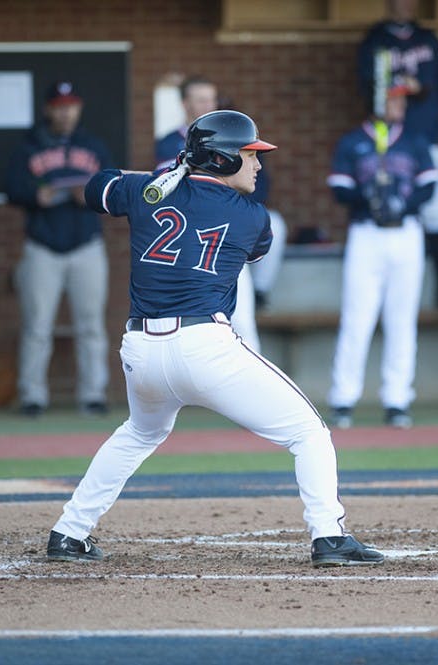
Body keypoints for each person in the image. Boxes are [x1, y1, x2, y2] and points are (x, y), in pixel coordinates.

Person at [46, 110, 383, 568]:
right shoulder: (252, 216)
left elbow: (96, 187)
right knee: (309, 433)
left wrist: (161, 176)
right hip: (204, 347)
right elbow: (254, 247)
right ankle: (329, 536)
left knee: (139, 432)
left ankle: (69, 532)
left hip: (141, 351)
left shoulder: (146, 192)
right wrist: (176, 176)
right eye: (249, 154)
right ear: (222, 159)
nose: (258, 164)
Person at [325, 85, 438, 429]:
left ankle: (397, 399)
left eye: (402, 99)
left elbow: (429, 186)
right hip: (366, 234)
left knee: (401, 320)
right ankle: (343, 398)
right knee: (357, 319)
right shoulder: (353, 141)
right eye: (392, 99)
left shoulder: (415, 140)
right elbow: (339, 188)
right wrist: (368, 198)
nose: (399, 105)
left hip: (406, 233)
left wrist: (402, 204)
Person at [5, 81, 113, 418]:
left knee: (91, 325)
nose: (66, 113)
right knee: (37, 326)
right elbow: (10, 188)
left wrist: (90, 197)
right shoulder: (29, 146)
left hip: (86, 245)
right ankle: (32, 396)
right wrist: (34, 195)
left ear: (79, 108)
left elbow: (114, 190)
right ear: (48, 109)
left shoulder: (94, 146)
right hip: (43, 246)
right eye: (60, 106)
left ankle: (93, 394)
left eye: (71, 106)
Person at [154, 76, 283, 347]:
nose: (208, 105)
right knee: (188, 326)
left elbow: (259, 185)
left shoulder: (232, 136)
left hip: (225, 235)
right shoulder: (169, 143)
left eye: (211, 99)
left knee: (242, 323)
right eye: (200, 100)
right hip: (188, 240)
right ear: (185, 104)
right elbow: (170, 190)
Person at [358, 0, 438, 309]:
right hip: (387, 141)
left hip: (425, 136)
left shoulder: (428, 38)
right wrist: (400, 85)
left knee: (435, 210)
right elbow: (367, 85)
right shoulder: (376, 39)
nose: (407, 5)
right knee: (385, 201)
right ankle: (383, 290)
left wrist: (419, 88)